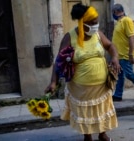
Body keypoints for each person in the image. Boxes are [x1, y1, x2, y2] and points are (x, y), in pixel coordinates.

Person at [45, 3, 120, 141]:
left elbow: (110, 45)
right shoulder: (70, 37)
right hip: (81, 88)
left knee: (102, 110)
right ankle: (88, 136)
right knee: (86, 114)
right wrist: (53, 82)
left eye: (96, 22)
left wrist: (115, 57)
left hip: (101, 86)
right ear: (82, 23)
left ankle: (102, 134)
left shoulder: (98, 34)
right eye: (92, 23)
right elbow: (59, 60)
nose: (96, 26)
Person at [111, 4, 134, 103]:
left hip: (126, 55)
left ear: (116, 12)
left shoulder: (127, 21)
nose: (113, 14)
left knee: (129, 74)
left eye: (113, 12)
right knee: (120, 75)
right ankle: (118, 95)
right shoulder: (119, 22)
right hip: (119, 55)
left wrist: (130, 55)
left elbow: (132, 38)